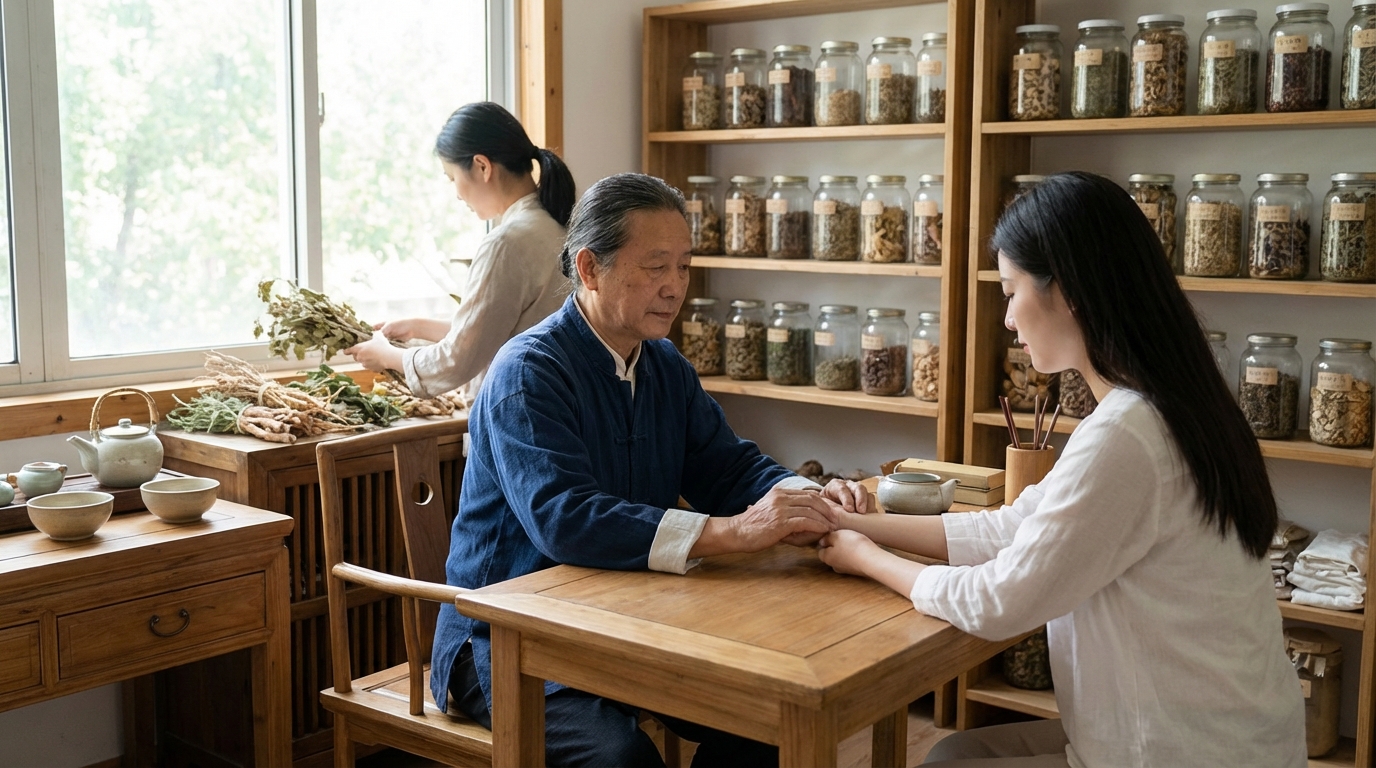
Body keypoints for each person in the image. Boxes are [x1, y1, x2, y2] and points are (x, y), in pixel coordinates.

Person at [817, 172, 1306, 767]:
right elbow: (1018, 526)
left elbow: (1000, 601)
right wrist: (861, 527)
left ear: (1067, 289)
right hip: (1225, 739)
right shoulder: (1166, 406)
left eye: (1010, 290)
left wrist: (863, 560)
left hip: (1183, 751)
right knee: (953, 754)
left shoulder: (1128, 433)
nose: (1007, 320)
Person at [429, 173, 872, 767]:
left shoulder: (663, 364)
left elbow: (728, 466)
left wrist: (811, 497)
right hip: (506, 642)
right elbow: (566, 519)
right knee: (620, 759)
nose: (675, 288)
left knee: (766, 722)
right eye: (656, 266)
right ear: (589, 268)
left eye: (684, 267)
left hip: (626, 623)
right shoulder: (528, 372)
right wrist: (735, 532)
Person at [345, 101, 574, 402]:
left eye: (452, 178)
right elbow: (497, 330)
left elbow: (458, 360)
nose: (456, 193)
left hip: (521, 410)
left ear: (482, 166)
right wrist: (418, 326)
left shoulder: (506, 242)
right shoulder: (552, 225)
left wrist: (388, 356)